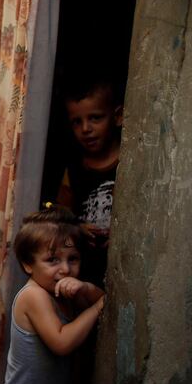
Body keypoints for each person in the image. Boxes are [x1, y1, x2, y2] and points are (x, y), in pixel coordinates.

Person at [0, 206, 105, 384]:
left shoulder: (64, 292)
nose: (65, 269)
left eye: (73, 259)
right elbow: (61, 342)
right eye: (52, 260)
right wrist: (97, 308)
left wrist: (88, 289)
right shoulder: (34, 295)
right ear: (27, 264)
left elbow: (105, 302)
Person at [56, 79, 123, 287]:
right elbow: (59, 216)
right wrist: (77, 228)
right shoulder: (74, 170)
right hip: (84, 273)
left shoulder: (130, 162)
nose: (86, 128)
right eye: (77, 121)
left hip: (123, 267)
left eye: (95, 118)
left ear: (118, 116)